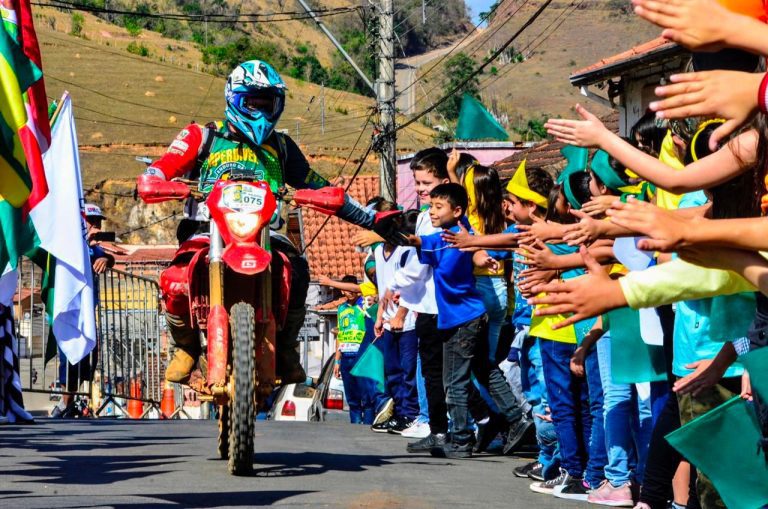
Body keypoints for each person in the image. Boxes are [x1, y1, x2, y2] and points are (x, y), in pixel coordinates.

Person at [136, 60, 379, 386]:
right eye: (253, 102)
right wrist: (155, 179)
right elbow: (164, 166)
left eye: (268, 103)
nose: (261, 111)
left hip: (266, 233)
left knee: (298, 271)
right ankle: (186, 347)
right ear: (235, 99)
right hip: (207, 231)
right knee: (175, 281)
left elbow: (318, 184)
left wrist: (373, 219)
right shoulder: (203, 136)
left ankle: (286, 347)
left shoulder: (281, 146)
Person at [410, 183, 531, 459]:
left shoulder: (454, 235)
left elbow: (472, 248)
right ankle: (517, 418)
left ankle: (462, 439)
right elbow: (427, 242)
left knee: (454, 380)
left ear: (457, 210)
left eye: (438, 207)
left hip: (462, 320)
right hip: (470, 315)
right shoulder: (450, 232)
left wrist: (483, 257)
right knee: (483, 369)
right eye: (430, 206)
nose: (432, 211)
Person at [51, 203, 114, 418]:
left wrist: (106, 258)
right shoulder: (70, 243)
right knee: (69, 356)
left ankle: (70, 402)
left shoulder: (92, 247)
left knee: (88, 355)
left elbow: (106, 257)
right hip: (70, 309)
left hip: (87, 311)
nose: (96, 226)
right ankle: (63, 403)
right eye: (91, 222)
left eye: (98, 223)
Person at [332, 275, 374, 424]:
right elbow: (340, 336)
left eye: (351, 288)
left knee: (367, 397)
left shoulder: (364, 304)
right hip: (346, 357)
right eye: (345, 289)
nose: (349, 292)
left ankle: (368, 426)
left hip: (362, 356)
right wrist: (337, 361)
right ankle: (355, 427)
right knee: (352, 399)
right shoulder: (341, 308)